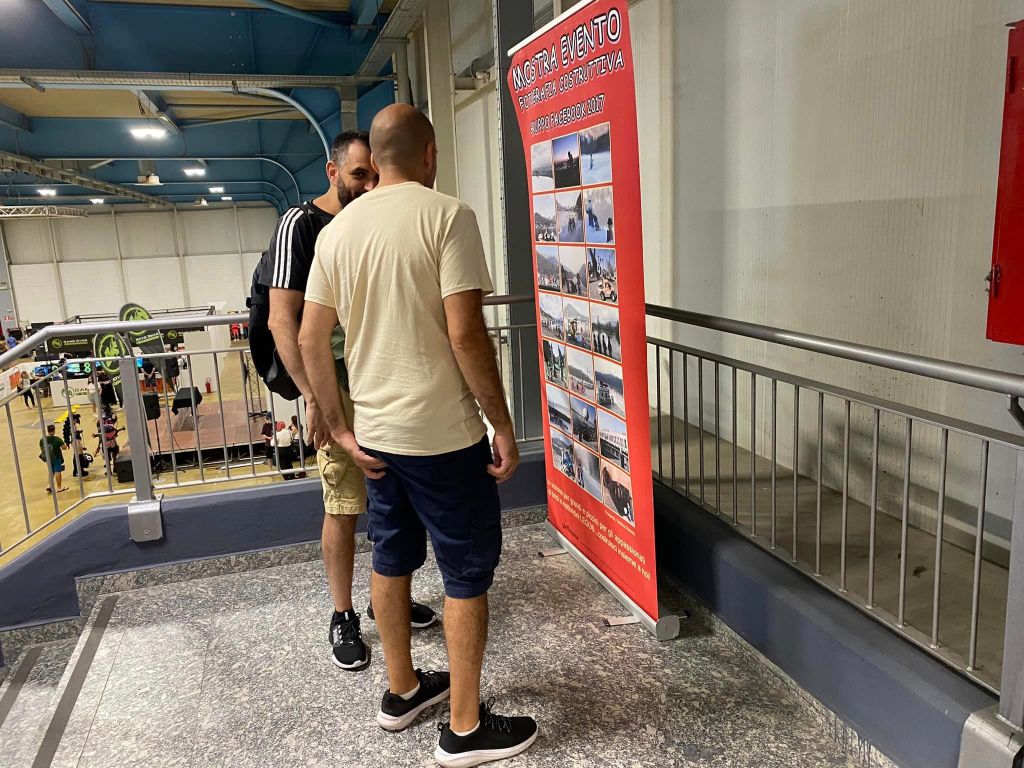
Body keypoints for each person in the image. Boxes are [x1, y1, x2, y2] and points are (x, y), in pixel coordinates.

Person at [300, 104, 537, 766]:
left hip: (376, 438)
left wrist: (340, 428)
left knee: (391, 556)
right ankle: (464, 728)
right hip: (443, 438)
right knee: (465, 571)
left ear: (374, 160)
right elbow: (465, 333)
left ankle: (402, 690)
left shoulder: (338, 232)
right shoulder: (447, 216)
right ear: (429, 154)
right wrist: (502, 423)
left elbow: (310, 337)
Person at [263, 129, 436, 672]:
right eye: (358, 174)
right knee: (342, 502)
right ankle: (343, 614)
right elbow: (282, 321)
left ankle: (389, 597)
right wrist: (315, 397)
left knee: (397, 495)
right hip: (335, 384)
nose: (368, 184)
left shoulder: (376, 218)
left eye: (374, 174)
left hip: (383, 380)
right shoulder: (302, 225)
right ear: (332, 172)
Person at [39, 424, 67, 493]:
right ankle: (59, 487)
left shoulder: (42, 440)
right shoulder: (57, 439)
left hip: (48, 458)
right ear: (54, 430)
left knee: (51, 472)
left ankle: (49, 485)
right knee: (58, 471)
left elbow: (42, 448)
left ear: (47, 431)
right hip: (57, 457)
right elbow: (64, 448)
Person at [63, 412, 90, 478]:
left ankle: (76, 470)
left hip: (75, 441)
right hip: (75, 441)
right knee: (79, 456)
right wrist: (78, 432)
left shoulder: (71, 425)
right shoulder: (72, 426)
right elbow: (73, 433)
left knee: (76, 456)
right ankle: (80, 471)